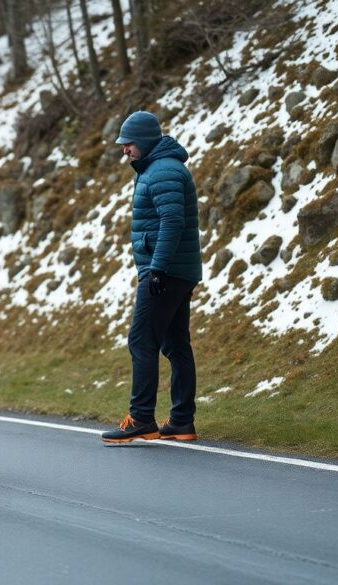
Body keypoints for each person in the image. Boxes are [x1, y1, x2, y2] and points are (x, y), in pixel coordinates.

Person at [102, 111, 203, 443]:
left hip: (166, 271)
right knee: (174, 343)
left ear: (143, 141)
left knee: (141, 340)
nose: (124, 150)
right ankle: (181, 422)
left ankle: (142, 419)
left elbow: (172, 221)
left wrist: (157, 268)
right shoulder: (156, 169)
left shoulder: (163, 171)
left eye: (128, 144)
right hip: (174, 270)